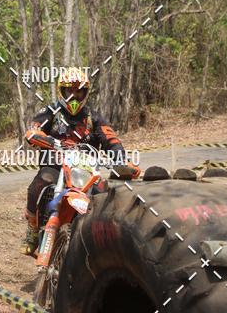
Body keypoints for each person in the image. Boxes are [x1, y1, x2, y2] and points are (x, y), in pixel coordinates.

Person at [21, 67, 140, 255]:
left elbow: (111, 140)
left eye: (79, 92)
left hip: (85, 171)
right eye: (70, 91)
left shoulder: (94, 118)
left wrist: (122, 160)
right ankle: (33, 228)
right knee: (40, 183)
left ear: (86, 93)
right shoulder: (51, 112)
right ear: (62, 91)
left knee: (103, 195)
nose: (74, 96)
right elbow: (33, 129)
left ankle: (100, 243)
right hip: (56, 166)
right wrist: (41, 137)